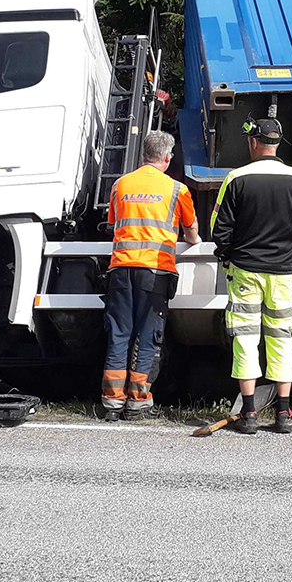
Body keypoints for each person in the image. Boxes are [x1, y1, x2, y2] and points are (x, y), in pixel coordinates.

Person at [210, 117, 292, 434]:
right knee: (282, 339)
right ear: (278, 143)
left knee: (246, 339)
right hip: (284, 272)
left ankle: (250, 414)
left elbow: (218, 228)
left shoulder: (236, 178)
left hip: (245, 271)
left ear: (253, 142)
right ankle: (283, 414)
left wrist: (227, 253)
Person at [101, 129, 199, 421]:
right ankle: (138, 401)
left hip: (120, 268)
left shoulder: (120, 185)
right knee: (148, 335)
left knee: (119, 333)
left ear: (144, 154)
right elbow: (191, 233)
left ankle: (111, 401)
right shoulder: (176, 190)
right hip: (155, 271)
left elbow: (114, 222)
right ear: (167, 157)